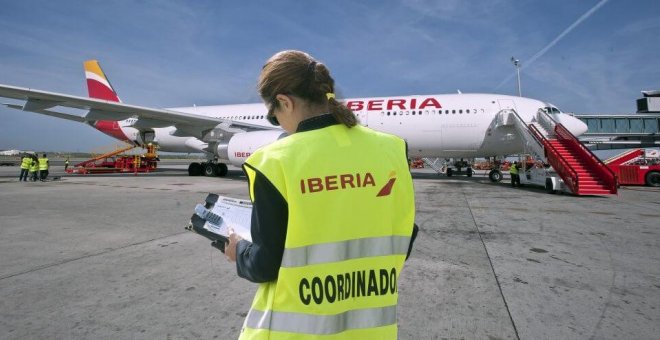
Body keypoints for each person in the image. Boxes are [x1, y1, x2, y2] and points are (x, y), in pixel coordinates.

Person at [223, 50, 418, 339]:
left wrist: (238, 250)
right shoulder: (392, 149)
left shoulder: (273, 161)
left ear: (284, 102)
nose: (277, 123)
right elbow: (405, 233)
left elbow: (264, 265)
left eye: (273, 115)